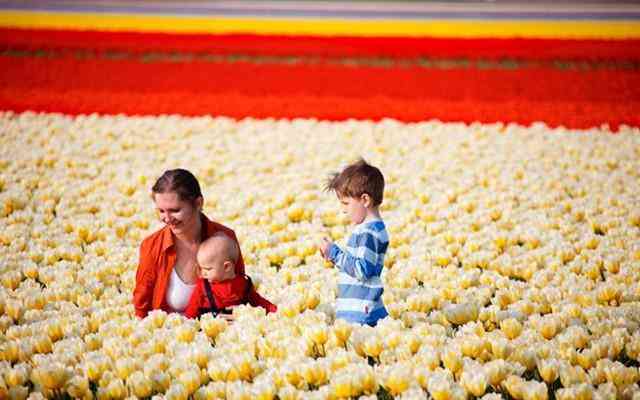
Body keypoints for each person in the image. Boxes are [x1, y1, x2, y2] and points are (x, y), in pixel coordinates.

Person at [133, 169, 245, 319]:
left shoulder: (226, 239)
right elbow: (141, 306)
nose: (167, 218)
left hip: (221, 328)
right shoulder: (152, 246)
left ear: (198, 203)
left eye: (175, 210)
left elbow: (241, 290)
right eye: (161, 211)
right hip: (169, 331)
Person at [318, 159, 389, 326]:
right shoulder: (374, 229)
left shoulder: (368, 233)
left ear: (365, 200)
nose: (343, 209)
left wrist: (334, 253)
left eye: (346, 203)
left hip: (360, 312)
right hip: (363, 307)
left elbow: (361, 270)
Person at [184, 232, 277, 319]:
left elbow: (258, 301)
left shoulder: (243, 284)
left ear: (226, 267)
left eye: (208, 269)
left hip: (239, 328)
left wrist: (274, 310)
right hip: (211, 329)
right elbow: (192, 309)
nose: (203, 273)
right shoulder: (203, 286)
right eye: (202, 268)